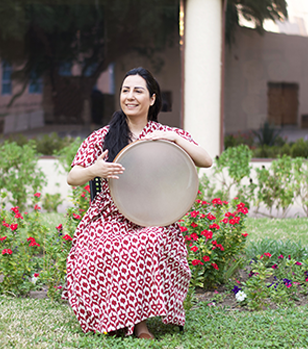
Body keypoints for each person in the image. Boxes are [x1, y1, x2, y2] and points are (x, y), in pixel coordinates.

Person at [64, 67, 212, 339]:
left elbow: (205, 160)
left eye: (138, 91)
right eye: (125, 90)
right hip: (109, 218)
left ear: (153, 99)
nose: (130, 96)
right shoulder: (103, 137)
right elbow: (73, 176)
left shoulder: (164, 134)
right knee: (108, 245)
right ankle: (120, 319)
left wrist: (177, 139)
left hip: (153, 217)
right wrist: (94, 170)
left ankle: (138, 323)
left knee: (149, 240)